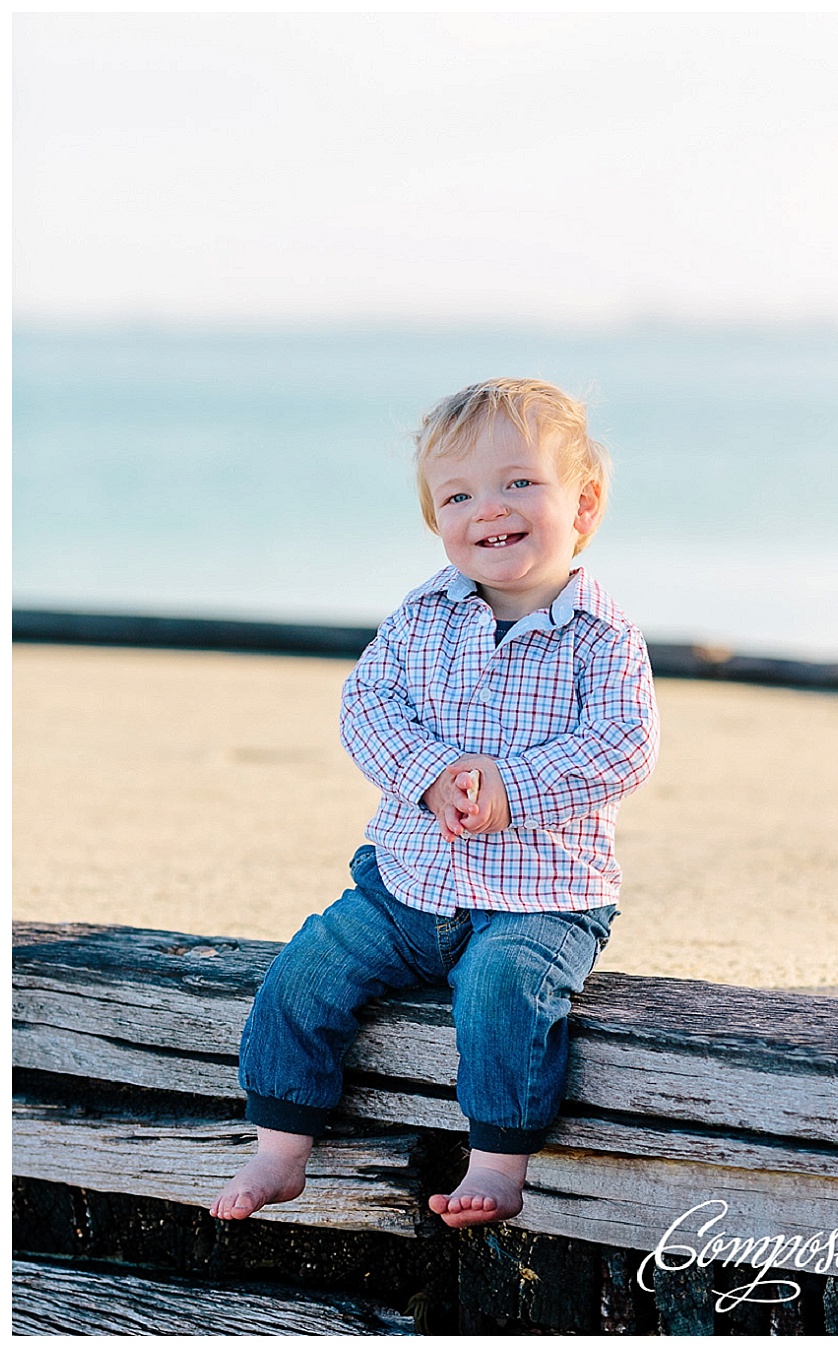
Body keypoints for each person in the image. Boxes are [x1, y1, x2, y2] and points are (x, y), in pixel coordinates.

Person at [211, 377, 660, 1227]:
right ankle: (279, 1147)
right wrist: (427, 773)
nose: (489, 507)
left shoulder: (605, 637)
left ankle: (497, 1162)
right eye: (459, 495)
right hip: (407, 883)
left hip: (540, 898)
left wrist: (509, 788)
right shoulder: (422, 617)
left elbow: (623, 747)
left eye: (520, 482)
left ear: (586, 503)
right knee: (306, 971)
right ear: (436, 522)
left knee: (504, 991)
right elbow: (367, 705)